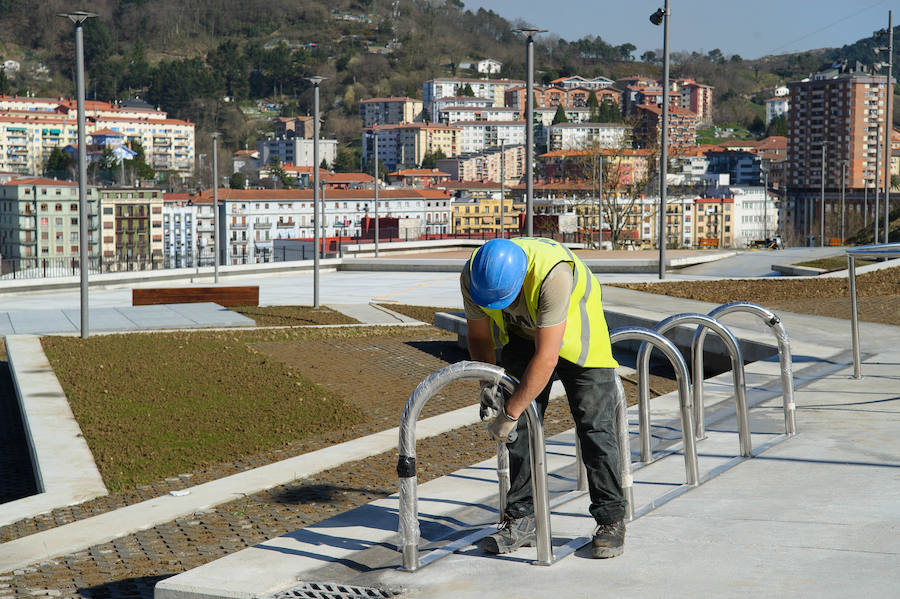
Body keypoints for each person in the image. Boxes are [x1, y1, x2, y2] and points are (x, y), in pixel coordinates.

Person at [460, 237, 626, 559]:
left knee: (595, 427)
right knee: (520, 429)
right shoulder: (475, 277)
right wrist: (488, 385)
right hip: (524, 337)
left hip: (579, 337)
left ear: (521, 281)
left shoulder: (554, 274)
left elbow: (548, 356)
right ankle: (522, 519)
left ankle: (611, 521)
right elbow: (479, 336)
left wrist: (508, 414)